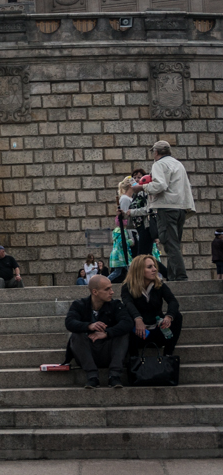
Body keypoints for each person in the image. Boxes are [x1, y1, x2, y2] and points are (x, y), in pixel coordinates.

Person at [131, 141, 196, 281]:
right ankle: (172, 277)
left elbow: (160, 185)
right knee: (174, 243)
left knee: (169, 243)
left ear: (156, 152)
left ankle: (180, 276)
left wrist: (142, 188)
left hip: (166, 208)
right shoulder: (178, 164)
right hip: (181, 208)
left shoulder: (159, 164)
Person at [65, 275, 133, 389]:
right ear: (95, 292)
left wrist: (107, 333)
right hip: (87, 352)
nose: (112, 292)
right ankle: (92, 377)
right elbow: (69, 322)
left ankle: (114, 376)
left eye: (111, 288)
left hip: (109, 351)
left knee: (123, 333)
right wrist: (89, 326)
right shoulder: (79, 304)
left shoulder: (115, 305)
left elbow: (128, 322)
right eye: (107, 289)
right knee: (76, 335)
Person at [121, 255, 182, 357]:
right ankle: (134, 358)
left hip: (157, 329)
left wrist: (168, 316)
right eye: (149, 267)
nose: (154, 269)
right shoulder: (127, 287)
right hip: (138, 333)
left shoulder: (160, 285)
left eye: (154, 266)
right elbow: (128, 304)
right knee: (125, 318)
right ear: (139, 270)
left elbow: (173, 301)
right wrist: (138, 319)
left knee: (178, 316)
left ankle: (168, 354)